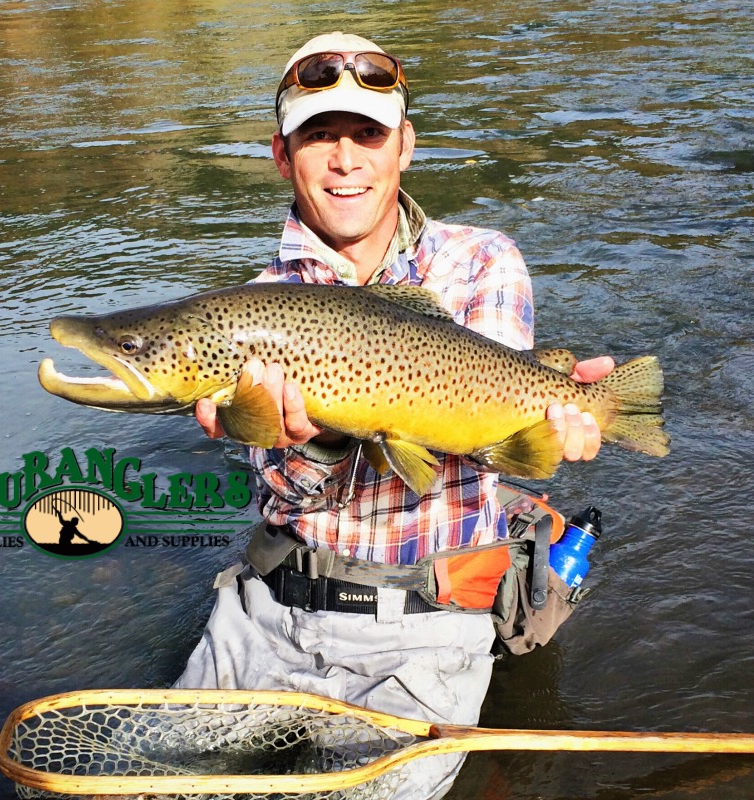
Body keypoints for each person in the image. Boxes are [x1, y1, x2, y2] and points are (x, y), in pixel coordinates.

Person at [175, 31, 613, 799]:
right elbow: (282, 492)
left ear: (404, 146)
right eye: (319, 136)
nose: (346, 161)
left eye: (367, 135)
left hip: (424, 632)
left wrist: (560, 414)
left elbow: (488, 427)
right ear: (281, 155)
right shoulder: (254, 305)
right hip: (264, 615)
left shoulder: (482, 261)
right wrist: (315, 439)